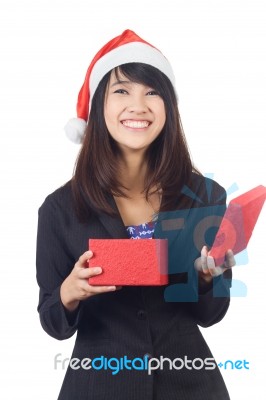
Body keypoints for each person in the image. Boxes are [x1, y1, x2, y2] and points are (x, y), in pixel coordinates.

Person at [36, 29, 235, 400]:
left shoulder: (205, 196)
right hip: (98, 387)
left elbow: (210, 315)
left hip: (189, 386)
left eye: (152, 92)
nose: (138, 106)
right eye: (122, 91)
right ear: (100, 106)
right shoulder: (59, 209)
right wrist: (69, 292)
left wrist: (209, 278)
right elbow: (52, 321)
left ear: (168, 107)